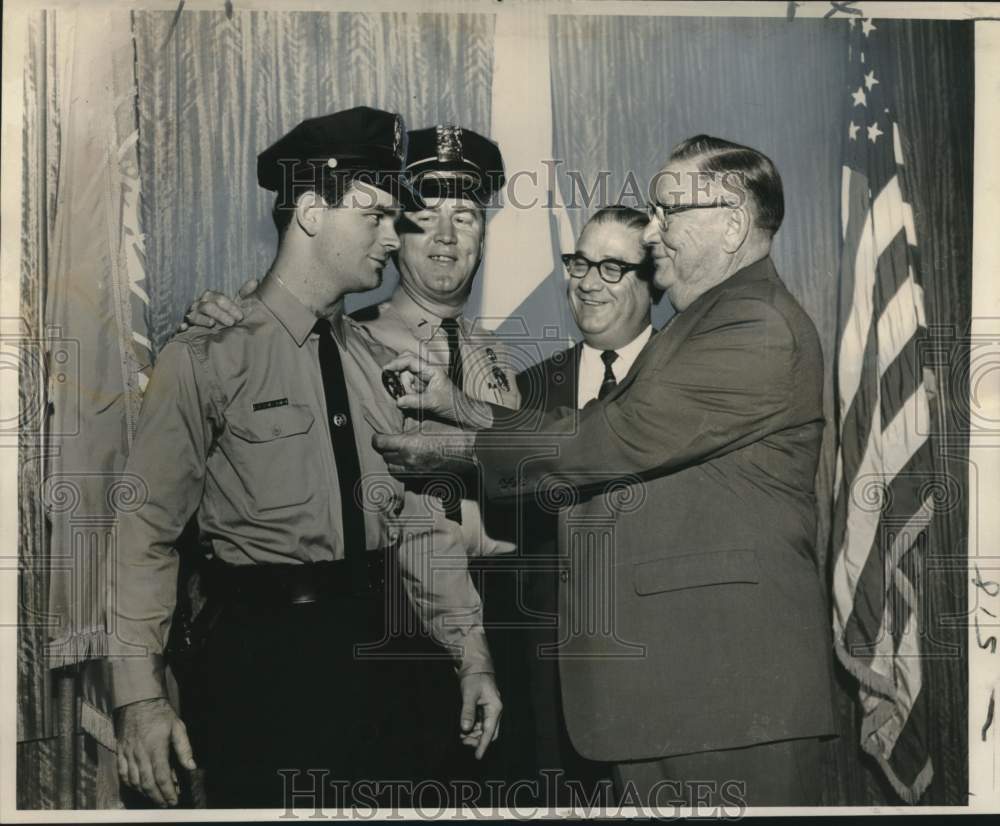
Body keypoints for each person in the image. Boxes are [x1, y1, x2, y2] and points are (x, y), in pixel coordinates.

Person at [373, 135, 837, 808]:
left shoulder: (753, 326)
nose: (654, 232)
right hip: (678, 697)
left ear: (732, 223)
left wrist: (453, 445)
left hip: (726, 697)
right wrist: (454, 402)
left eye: (668, 212)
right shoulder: (704, 322)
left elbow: (606, 439)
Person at [109, 107, 501, 810]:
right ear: (314, 210)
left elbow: (415, 523)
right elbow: (146, 536)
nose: (395, 234)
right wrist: (139, 697)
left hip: (387, 659)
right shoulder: (207, 355)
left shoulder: (372, 361)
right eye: (376, 214)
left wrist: (470, 654)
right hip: (263, 670)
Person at [511, 205, 658, 803]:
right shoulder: (525, 390)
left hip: (656, 665)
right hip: (551, 679)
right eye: (579, 263)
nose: (588, 282)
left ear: (654, 282)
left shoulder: (690, 381)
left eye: (613, 268)